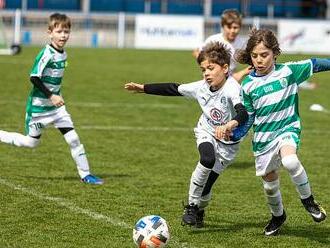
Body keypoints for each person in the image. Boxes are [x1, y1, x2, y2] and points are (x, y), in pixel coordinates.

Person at [125, 42, 248, 227]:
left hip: (228, 144)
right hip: (206, 131)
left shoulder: (232, 88)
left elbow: (243, 112)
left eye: (210, 68)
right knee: (207, 159)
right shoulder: (201, 87)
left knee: (206, 190)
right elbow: (175, 88)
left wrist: (231, 124)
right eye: (203, 69)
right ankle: (191, 207)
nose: (206, 73)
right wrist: (144, 88)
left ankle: (199, 209)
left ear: (225, 68)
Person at [217, 28, 327, 236]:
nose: (259, 60)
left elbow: (316, 63)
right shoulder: (248, 85)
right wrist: (235, 132)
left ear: (275, 53)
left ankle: (309, 201)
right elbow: (248, 116)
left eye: (264, 55)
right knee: (269, 184)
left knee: (291, 161)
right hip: (263, 139)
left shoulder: (288, 72)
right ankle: (278, 216)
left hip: (287, 128)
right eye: (255, 56)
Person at [0, 13, 103, 185]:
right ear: (50, 32)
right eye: (59, 31)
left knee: (73, 139)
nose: (63, 35)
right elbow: (34, 77)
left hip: (57, 109)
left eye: (66, 31)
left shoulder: (64, 54)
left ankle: (86, 174)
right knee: (30, 143)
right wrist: (51, 95)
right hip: (39, 109)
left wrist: (57, 97)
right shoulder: (46, 54)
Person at [193, 9, 250, 81]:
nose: (232, 31)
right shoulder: (213, 40)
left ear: (240, 27)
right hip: (212, 79)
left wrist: (241, 73)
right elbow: (196, 52)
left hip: (230, 79)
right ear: (223, 26)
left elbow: (254, 60)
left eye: (235, 27)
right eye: (229, 27)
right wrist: (207, 68)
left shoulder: (243, 43)